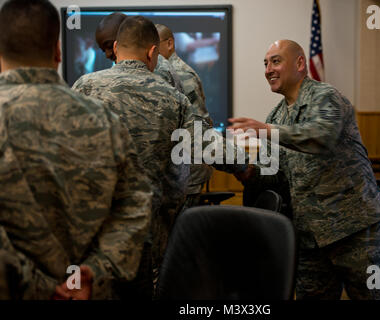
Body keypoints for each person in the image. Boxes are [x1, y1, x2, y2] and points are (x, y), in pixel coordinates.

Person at [72, 16, 248, 292]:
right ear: (153, 52)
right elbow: (206, 145)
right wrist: (245, 166)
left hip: (96, 228)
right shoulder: (172, 97)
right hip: (149, 230)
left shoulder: (84, 87)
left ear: (116, 47)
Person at [0, 0, 153, 299]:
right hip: (89, 290)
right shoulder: (104, 121)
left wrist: (42, 288)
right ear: (57, 51)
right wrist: (95, 270)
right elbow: (136, 204)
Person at [229, 39, 380, 300]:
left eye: (276, 61)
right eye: (265, 63)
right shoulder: (276, 116)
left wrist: (266, 131)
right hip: (311, 238)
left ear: (299, 63)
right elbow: (273, 172)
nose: (268, 70)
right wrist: (243, 169)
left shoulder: (326, 97)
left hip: (356, 232)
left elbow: (321, 137)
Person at [156, 24, 213, 208]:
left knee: (183, 233)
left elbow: (198, 126)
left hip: (187, 174)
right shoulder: (161, 72)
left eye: (154, 46)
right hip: (175, 173)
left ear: (170, 43)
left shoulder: (181, 74)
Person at [95, 12, 184, 93]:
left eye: (110, 46)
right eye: (103, 50)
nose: (107, 54)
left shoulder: (159, 67)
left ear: (126, 34)